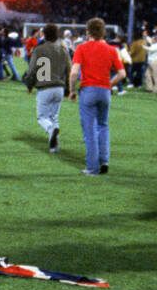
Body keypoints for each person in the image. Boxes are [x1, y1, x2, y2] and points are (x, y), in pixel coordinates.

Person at [68, 17, 125, 175]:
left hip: (88, 90)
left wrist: (72, 90)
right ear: (103, 32)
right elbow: (122, 73)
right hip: (105, 91)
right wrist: (110, 84)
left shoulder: (82, 48)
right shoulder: (112, 50)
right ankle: (104, 161)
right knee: (103, 126)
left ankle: (92, 167)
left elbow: (74, 73)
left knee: (89, 130)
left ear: (88, 32)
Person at [24, 22, 71, 153]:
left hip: (44, 87)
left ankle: (51, 130)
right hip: (59, 88)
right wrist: (69, 89)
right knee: (54, 117)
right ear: (57, 36)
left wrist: (29, 85)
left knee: (42, 118)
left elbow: (32, 70)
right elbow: (69, 70)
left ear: (44, 35)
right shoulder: (63, 50)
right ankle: (54, 147)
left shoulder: (39, 50)